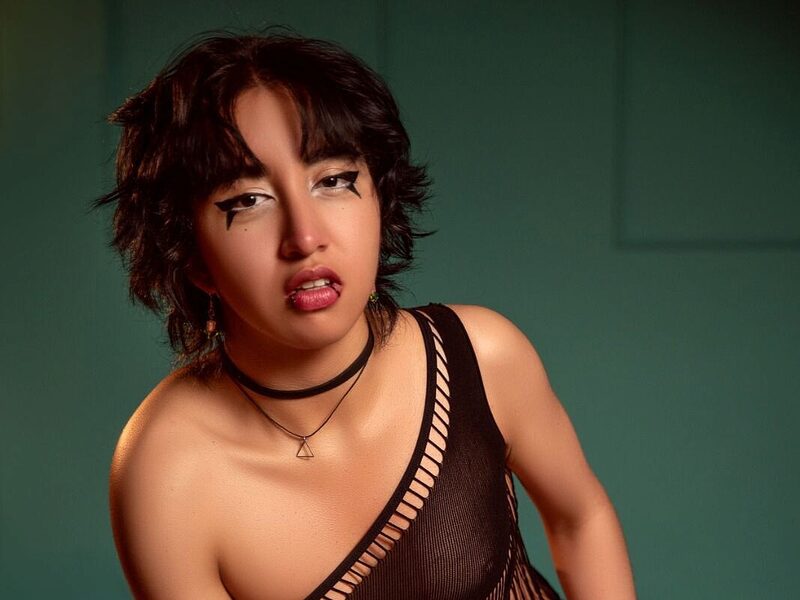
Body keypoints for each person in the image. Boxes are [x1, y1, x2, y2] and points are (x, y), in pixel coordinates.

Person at [100, 32, 636, 600]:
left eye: (333, 181)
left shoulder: (479, 358)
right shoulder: (168, 471)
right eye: (248, 200)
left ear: (380, 198)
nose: (306, 237)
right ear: (189, 253)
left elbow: (581, 519)